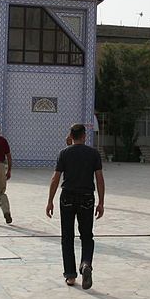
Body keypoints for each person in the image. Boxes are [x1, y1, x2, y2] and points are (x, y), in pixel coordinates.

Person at [46, 123, 105, 289]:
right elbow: (99, 179)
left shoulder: (64, 153)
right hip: (87, 197)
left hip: (68, 197)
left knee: (67, 237)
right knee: (87, 235)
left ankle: (70, 275)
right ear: (85, 136)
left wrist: (50, 200)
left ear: (71, 136)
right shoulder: (93, 154)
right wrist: (101, 202)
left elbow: (55, 179)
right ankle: (86, 263)